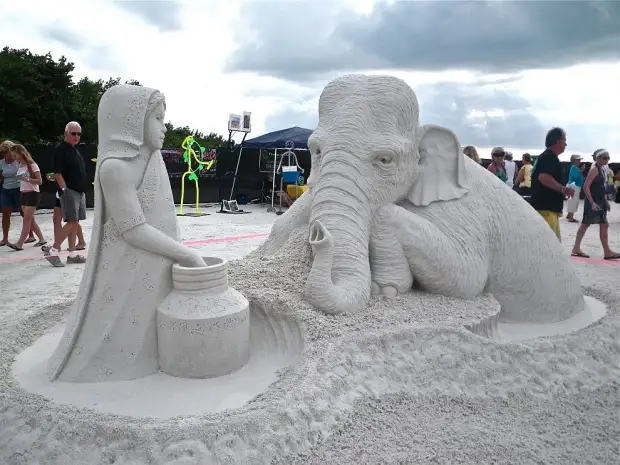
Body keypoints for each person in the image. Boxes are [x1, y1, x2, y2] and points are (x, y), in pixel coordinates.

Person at [48, 85, 205, 382]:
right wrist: (188, 255)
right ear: (131, 121)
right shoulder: (115, 169)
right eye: (157, 119)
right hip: (126, 272)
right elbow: (134, 231)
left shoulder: (153, 160)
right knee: (122, 337)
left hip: (159, 265)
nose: (164, 127)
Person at [42, 122, 89, 266]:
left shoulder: (74, 150)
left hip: (79, 191)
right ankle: (54, 250)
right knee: (72, 222)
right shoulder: (61, 149)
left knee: (74, 223)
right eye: (73, 133)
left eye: (79, 134)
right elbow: (57, 172)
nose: (76, 136)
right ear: (65, 133)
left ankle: (72, 254)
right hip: (71, 191)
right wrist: (65, 190)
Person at [571, 149, 619, 260]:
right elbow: (586, 187)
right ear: (598, 158)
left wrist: (605, 201)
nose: (607, 160)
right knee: (585, 224)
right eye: (604, 158)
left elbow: (601, 188)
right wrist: (592, 202)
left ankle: (607, 251)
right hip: (593, 201)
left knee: (603, 225)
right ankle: (576, 248)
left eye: (608, 158)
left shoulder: (601, 168)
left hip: (599, 201)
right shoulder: (594, 169)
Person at [530, 127, 575, 241]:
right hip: (546, 210)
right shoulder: (549, 157)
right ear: (558, 142)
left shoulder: (546, 157)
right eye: (564, 141)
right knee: (549, 245)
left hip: (546, 210)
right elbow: (543, 177)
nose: (566, 144)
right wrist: (563, 189)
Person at [6, 145, 46, 250]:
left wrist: (25, 179)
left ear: (21, 153)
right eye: (13, 156)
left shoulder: (33, 165)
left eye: (15, 155)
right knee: (31, 220)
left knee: (26, 220)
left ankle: (19, 243)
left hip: (32, 194)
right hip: (23, 193)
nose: (14, 158)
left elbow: (40, 181)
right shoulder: (20, 165)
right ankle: (42, 239)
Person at [0, 140, 35, 246]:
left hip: (19, 189)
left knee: (24, 212)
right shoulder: (1, 163)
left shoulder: (19, 161)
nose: (4, 155)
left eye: (6, 152)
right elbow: (1, 178)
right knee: (5, 214)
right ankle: (5, 238)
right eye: (2, 153)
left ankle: (31, 235)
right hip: (6, 190)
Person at [566, 154, 584, 222]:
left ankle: (569, 215)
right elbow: (575, 177)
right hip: (574, 186)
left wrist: (580, 171)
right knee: (574, 201)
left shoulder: (575, 167)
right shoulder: (574, 168)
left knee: (573, 201)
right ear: (574, 160)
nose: (579, 161)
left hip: (574, 186)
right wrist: (581, 171)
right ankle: (571, 217)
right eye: (578, 160)